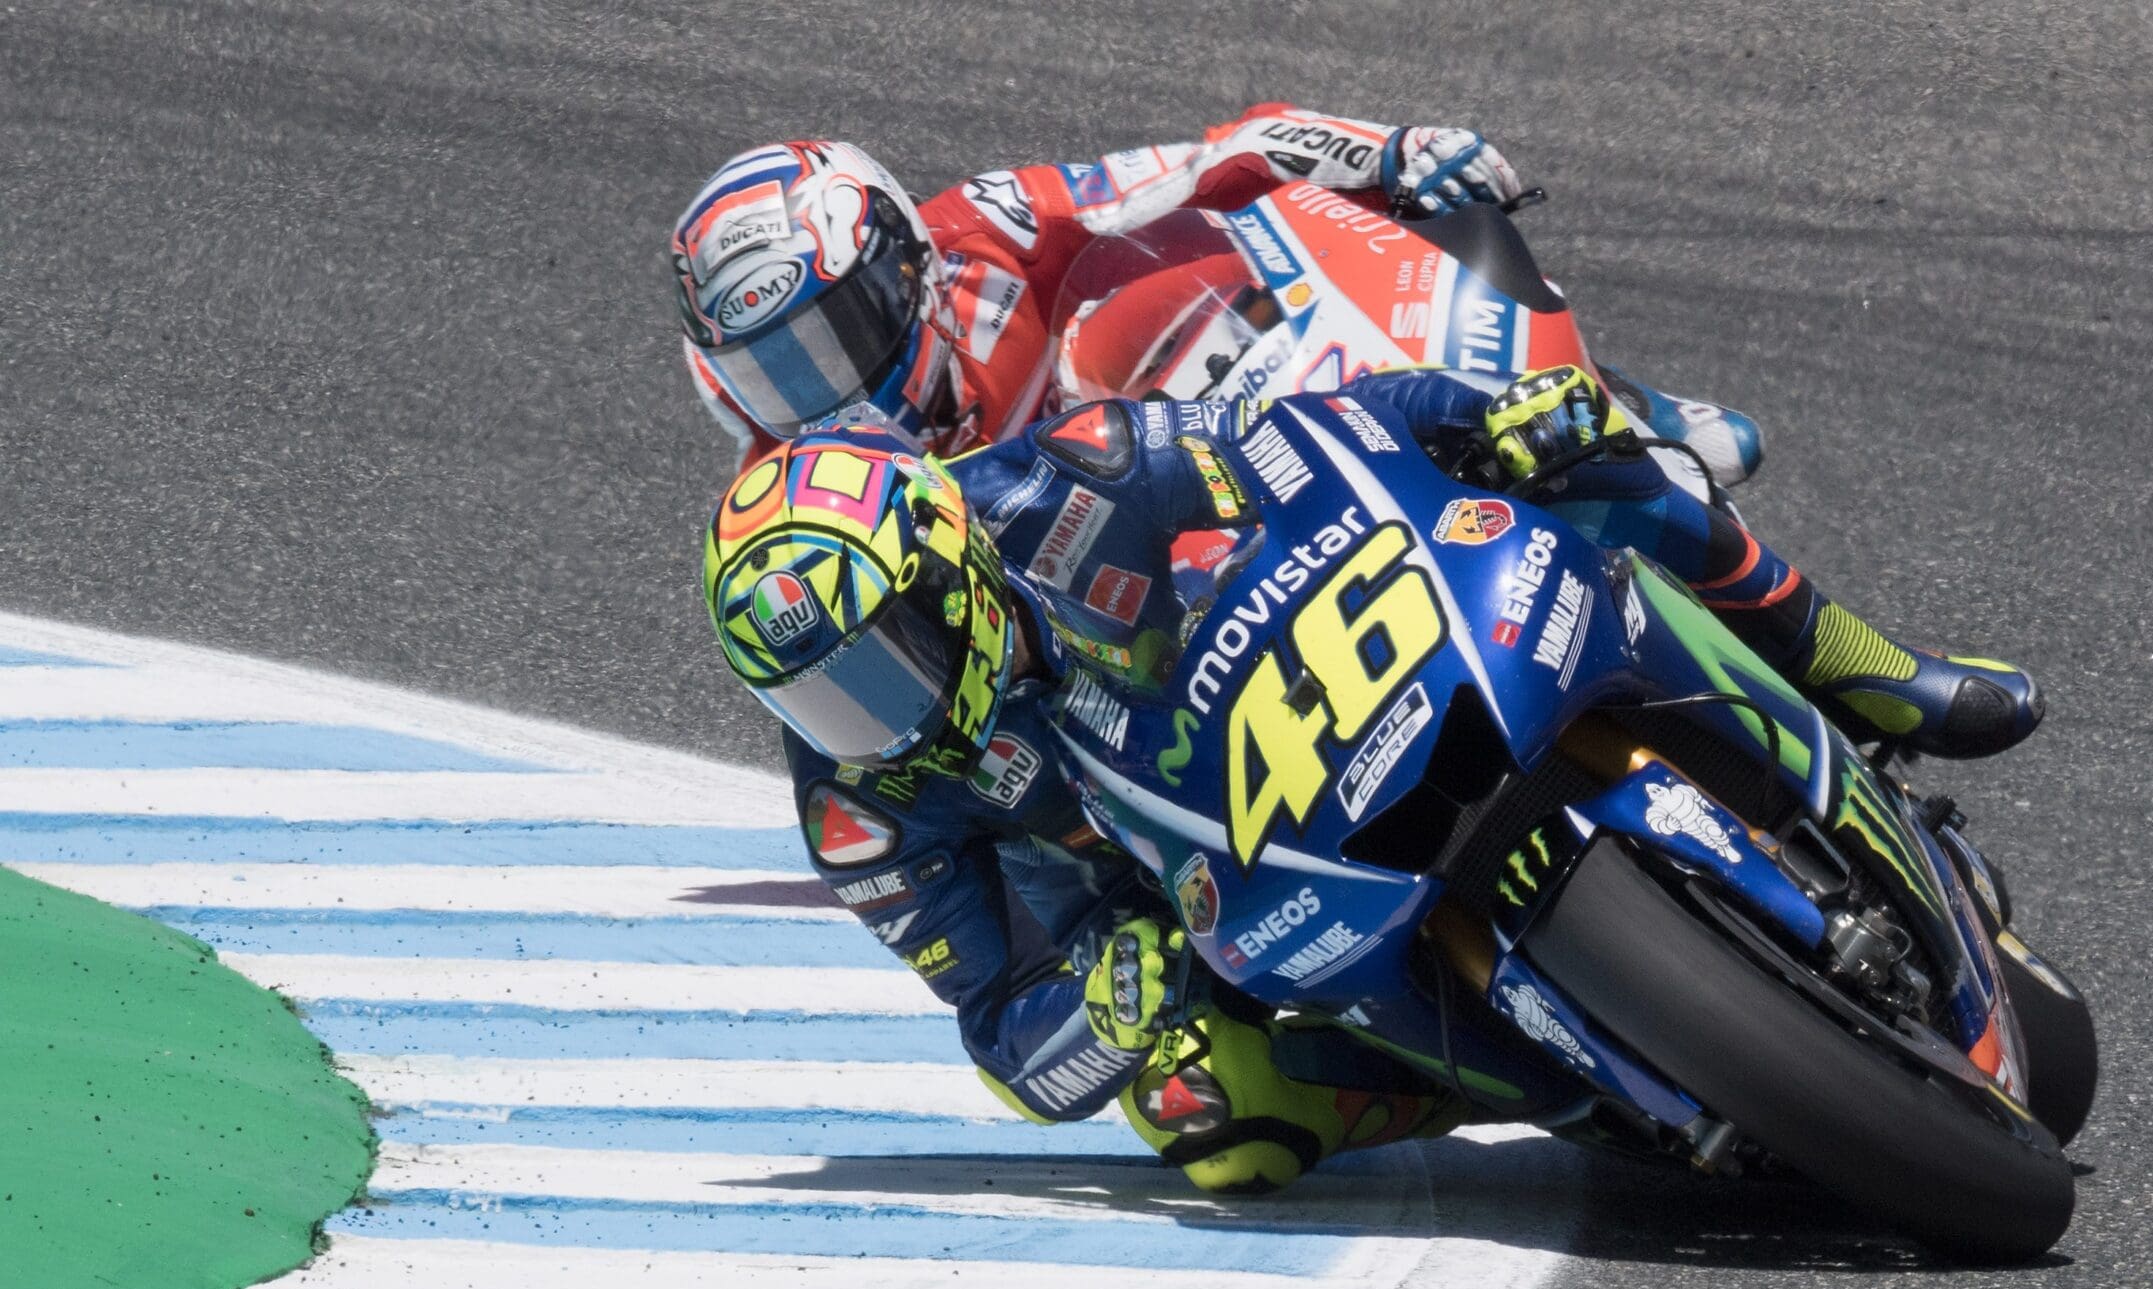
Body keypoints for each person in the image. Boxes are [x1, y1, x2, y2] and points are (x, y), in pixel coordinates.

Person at [697, 365, 2039, 1192]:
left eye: (884, 661)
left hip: (1320, 684)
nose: (873, 718)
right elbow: (1006, 1040)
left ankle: (1866, 666)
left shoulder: (1076, 467)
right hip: (1209, 902)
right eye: (818, 697)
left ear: (946, 568)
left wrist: (1481, 418)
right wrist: (1104, 1007)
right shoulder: (859, 808)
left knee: (1584, 453)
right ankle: (1540, 1089)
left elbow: (1316, 430)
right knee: (1206, 1120)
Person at [667, 111, 1765, 490]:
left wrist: (1387, 152)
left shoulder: (984, 228)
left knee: (1133, 294)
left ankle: (1595, 398)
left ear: (904, 265)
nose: (825, 394)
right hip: (1101, 593)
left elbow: (1211, 162)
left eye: (833, 339)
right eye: (778, 373)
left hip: (1181, 428)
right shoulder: (794, 493)